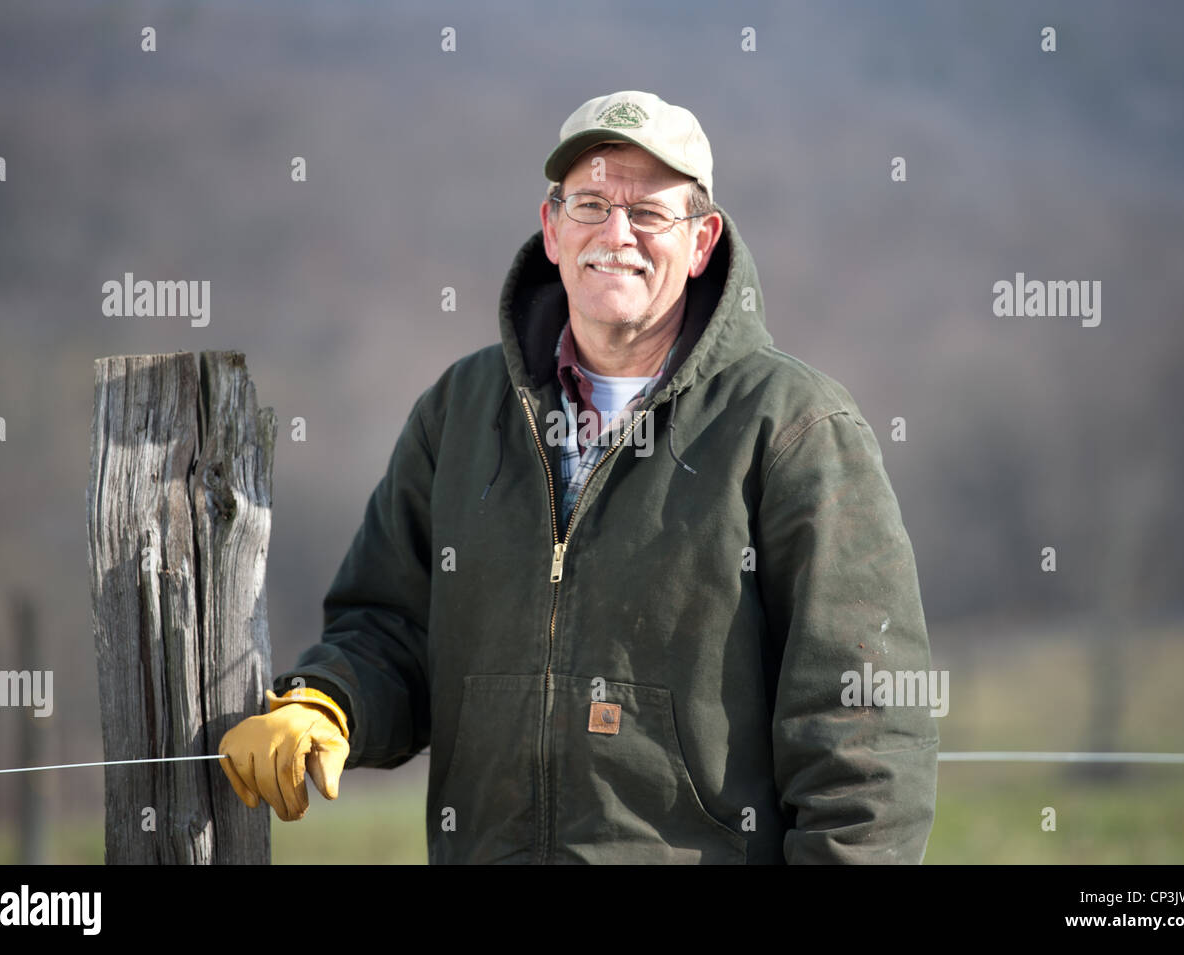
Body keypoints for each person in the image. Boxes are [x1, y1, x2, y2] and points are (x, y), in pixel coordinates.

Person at [219, 90, 939, 864]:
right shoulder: (461, 413)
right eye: (590, 203)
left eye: (650, 213)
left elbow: (863, 736)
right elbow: (391, 628)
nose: (616, 234)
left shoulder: (795, 430)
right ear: (552, 228)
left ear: (703, 242)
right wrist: (330, 699)